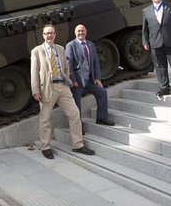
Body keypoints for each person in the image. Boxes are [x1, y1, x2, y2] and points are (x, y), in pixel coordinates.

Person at [30, 24, 95, 159]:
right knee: (45, 119)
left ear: (55, 34)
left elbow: (66, 67)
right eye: (47, 33)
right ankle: (46, 147)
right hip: (47, 88)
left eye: (52, 33)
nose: (49, 35)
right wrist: (35, 90)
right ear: (43, 35)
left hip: (62, 87)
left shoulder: (60, 48)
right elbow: (34, 72)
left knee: (74, 113)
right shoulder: (37, 51)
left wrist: (67, 81)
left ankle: (78, 145)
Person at [66, 24, 115, 132]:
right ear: (75, 33)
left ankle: (102, 118)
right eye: (78, 31)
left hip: (90, 80)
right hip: (77, 81)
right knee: (76, 104)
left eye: (82, 31)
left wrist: (97, 78)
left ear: (86, 32)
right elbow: (68, 65)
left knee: (102, 92)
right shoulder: (71, 45)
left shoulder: (90, 44)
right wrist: (72, 80)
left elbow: (95, 62)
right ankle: (78, 126)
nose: (80, 33)